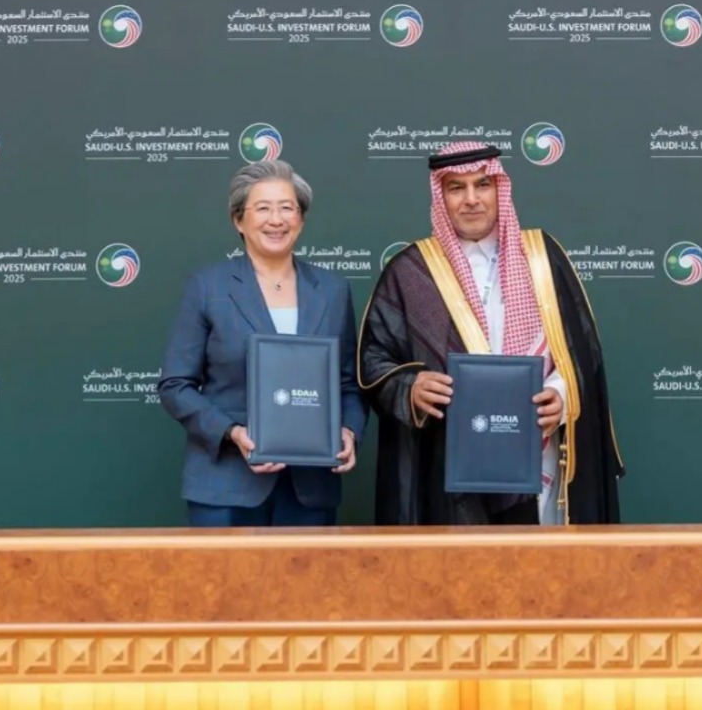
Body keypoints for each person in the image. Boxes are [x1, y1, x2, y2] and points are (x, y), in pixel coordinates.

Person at [357, 141, 625, 526]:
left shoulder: (543, 257)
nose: (471, 199)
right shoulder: (412, 272)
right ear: (440, 197)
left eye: (483, 184)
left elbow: (583, 352)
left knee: (539, 561)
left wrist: (561, 394)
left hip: (540, 449)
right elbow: (373, 361)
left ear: (500, 189)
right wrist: (410, 387)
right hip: (447, 462)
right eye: (456, 188)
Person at [158, 160, 367, 526]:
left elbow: (349, 383)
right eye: (264, 208)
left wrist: (349, 430)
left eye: (287, 208)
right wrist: (233, 433)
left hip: (311, 488)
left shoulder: (333, 290)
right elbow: (175, 385)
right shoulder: (207, 287)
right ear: (238, 220)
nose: (277, 220)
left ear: (301, 219)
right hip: (225, 486)